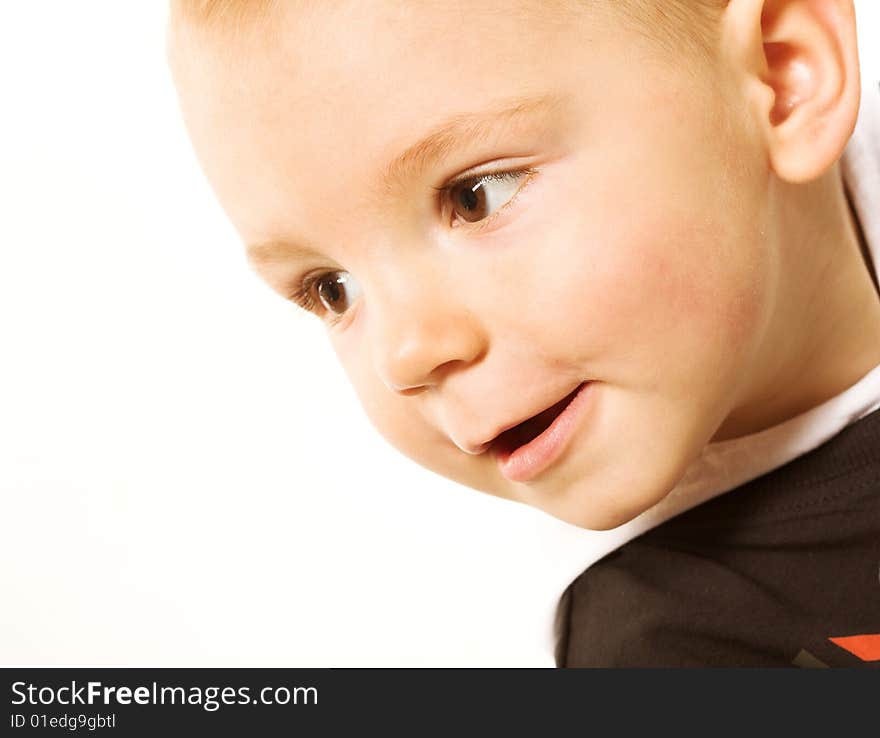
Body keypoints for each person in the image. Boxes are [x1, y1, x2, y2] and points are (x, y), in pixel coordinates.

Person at [166, 0, 880, 666]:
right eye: (332, 289)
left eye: (476, 197)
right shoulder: (677, 651)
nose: (404, 353)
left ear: (786, 79)